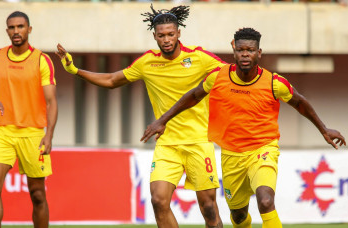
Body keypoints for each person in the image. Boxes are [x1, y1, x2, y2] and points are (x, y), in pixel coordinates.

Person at [141, 27, 346, 228]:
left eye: (250, 50)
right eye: (241, 50)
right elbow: (193, 96)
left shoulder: (274, 82)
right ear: (234, 51)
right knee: (238, 216)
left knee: (265, 201)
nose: (245, 54)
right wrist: (163, 120)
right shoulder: (219, 76)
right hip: (232, 155)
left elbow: (300, 103)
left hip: (263, 149)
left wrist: (324, 129)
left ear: (259, 53)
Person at [56, 5, 225, 228]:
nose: (166, 39)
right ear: (154, 36)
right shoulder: (147, 62)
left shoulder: (199, 57)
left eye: (170, 34)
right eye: (161, 35)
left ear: (179, 33)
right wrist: (75, 70)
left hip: (199, 143)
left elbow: (231, 76)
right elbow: (111, 80)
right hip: (167, 145)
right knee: (158, 200)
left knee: (209, 208)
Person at [0, 11, 58, 228]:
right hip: (3, 132)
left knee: (37, 194)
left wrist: (49, 136)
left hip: (33, 134)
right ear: (7, 31)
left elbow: (51, 102)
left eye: (20, 26)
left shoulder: (42, 60)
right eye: (11, 27)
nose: (16, 31)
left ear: (29, 29)